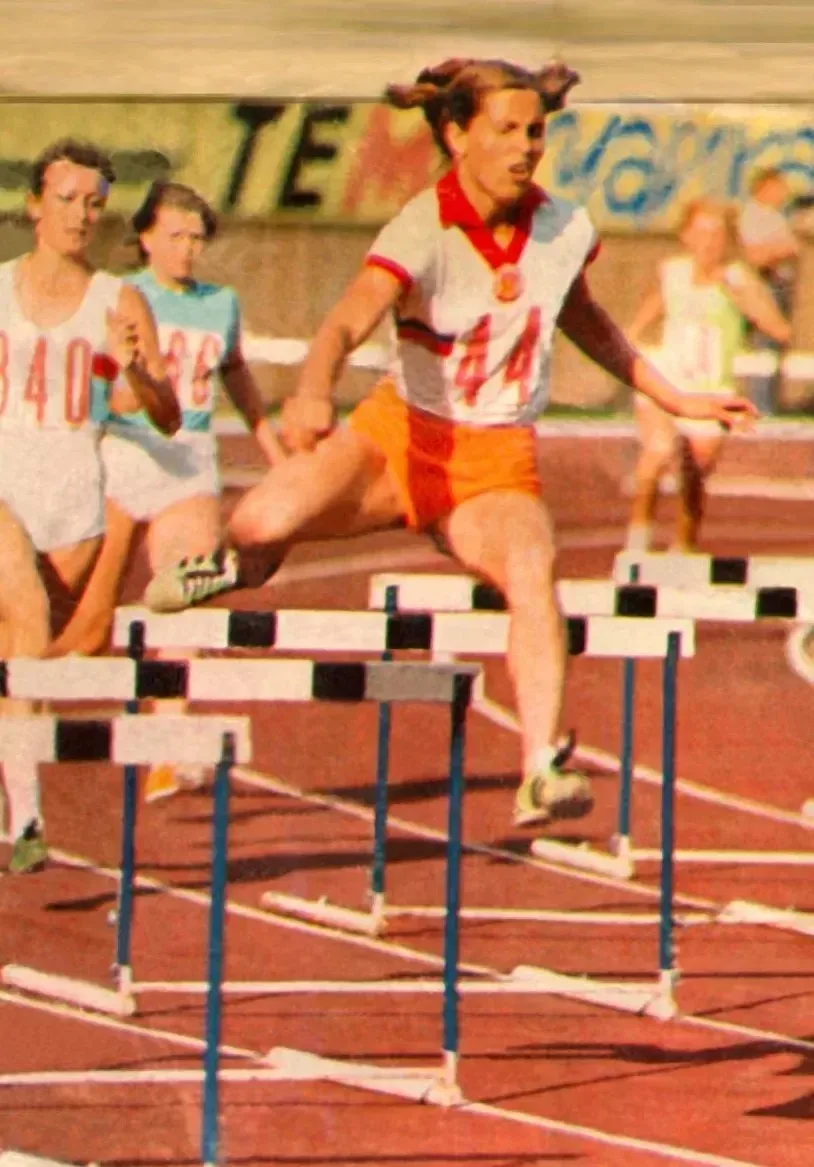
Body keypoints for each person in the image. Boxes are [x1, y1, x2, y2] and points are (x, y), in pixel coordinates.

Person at [145, 58, 757, 830]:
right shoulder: (422, 226)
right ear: (458, 135)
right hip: (396, 437)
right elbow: (344, 321)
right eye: (507, 130)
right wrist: (311, 389)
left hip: (495, 461)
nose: (526, 146)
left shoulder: (563, 228)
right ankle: (235, 565)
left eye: (535, 131)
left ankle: (541, 767)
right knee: (263, 521)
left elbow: (586, 320)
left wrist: (676, 397)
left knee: (533, 567)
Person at [49, 181, 285, 803]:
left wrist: (276, 453)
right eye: (175, 236)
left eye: (197, 238)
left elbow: (236, 376)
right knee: (85, 622)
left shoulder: (220, 303)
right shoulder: (119, 297)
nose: (187, 249)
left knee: (180, 600)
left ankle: (168, 747)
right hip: (121, 456)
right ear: (146, 238)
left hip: (187, 464)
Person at [0, 138, 179, 873]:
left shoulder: (119, 300)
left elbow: (167, 414)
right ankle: (28, 815)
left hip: (72, 505)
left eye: (94, 203)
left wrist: (134, 369)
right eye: (66, 199)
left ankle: (18, 808)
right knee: (25, 612)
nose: (80, 215)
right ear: (34, 205)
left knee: (22, 659)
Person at [625, 197, 790, 553]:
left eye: (717, 235)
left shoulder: (738, 277)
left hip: (712, 390)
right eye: (701, 234)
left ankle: (683, 549)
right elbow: (651, 310)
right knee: (657, 451)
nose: (709, 244)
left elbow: (779, 330)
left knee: (693, 473)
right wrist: (630, 338)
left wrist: (738, 295)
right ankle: (636, 545)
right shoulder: (672, 272)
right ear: (685, 236)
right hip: (668, 379)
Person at [737, 169, 800, 415]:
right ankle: (760, 407)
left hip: (780, 288)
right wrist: (785, 250)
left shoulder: (774, 216)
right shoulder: (754, 216)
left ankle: (769, 404)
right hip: (766, 286)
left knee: (775, 351)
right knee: (764, 349)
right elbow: (755, 256)